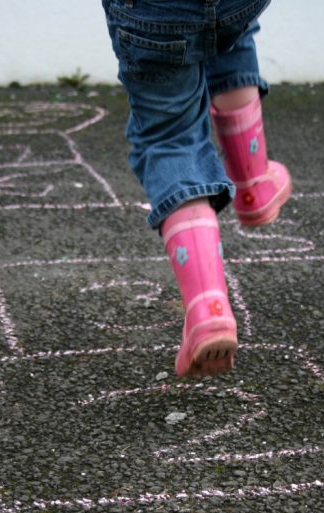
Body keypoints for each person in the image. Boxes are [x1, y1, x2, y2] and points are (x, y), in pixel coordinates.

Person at [101, 0, 291, 377]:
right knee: (230, 37)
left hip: (153, 13)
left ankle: (208, 309)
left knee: (171, 136)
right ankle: (253, 183)